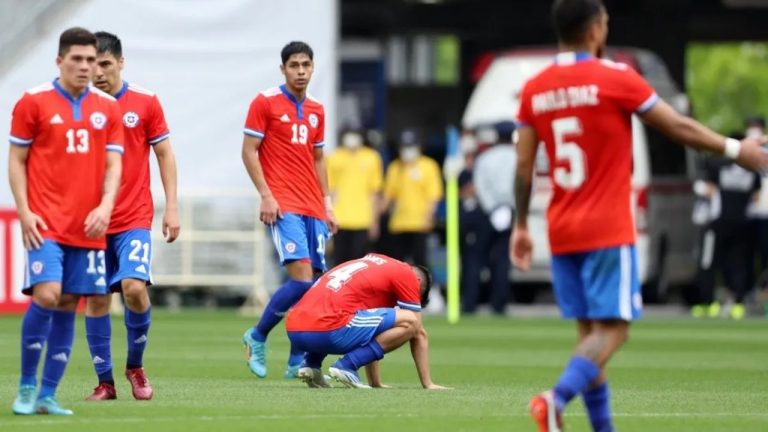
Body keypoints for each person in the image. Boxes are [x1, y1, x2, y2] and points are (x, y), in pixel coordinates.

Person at [510, 1, 768, 431]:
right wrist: (735, 148)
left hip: (562, 226)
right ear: (595, 30)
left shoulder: (536, 87)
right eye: (606, 21)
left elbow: (523, 167)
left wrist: (521, 225)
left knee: (589, 337)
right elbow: (677, 127)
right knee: (614, 332)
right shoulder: (615, 78)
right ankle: (555, 400)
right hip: (607, 227)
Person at [9, 27, 124, 415]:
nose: (85, 66)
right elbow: (17, 161)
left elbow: (113, 165)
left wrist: (106, 206)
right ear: (60, 61)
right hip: (45, 224)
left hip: (88, 227)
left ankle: (47, 395)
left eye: (91, 60)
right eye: (77, 59)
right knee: (46, 294)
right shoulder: (33, 102)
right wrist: (24, 211)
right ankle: (26, 387)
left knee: (71, 301)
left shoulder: (107, 108)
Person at [83, 31, 180, 401]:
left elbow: (165, 153)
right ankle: (105, 383)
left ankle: (135, 366)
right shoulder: (80, 106)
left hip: (134, 217)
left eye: (106, 64)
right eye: (93, 64)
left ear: (120, 63)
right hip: (91, 220)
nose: (99, 72)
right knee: (96, 299)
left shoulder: (145, 102)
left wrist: (171, 205)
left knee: (134, 289)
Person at [241, 41, 337, 379]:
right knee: (300, 280)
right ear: (282, 68)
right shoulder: (265, 102)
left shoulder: (317, 110)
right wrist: (266, 195)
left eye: (306, 65)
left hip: (312, 205)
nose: (300, 71)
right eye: (294, 65)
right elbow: (249, 151)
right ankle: (257, 335)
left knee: (312, 287)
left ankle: (297, 359)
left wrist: (327, 204)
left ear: (313, 68)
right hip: (283, 203)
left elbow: (318, 158)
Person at [285, 253, 448, 390]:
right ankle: (347, 365)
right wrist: (428, 383)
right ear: (418, 282)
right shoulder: (406, 274)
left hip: (295, 330)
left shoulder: (373, 264)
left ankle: (312, 364)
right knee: (411, 321)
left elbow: (374, 328)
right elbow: (417, 330)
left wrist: (375, 383)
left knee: (346, 313)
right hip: (329, 330)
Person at [692, 143, 760, 320]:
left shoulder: (717, 165)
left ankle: (708, 303)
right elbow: (756, 195)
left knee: (709, 262)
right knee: (739, 263)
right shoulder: (751, 170)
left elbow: (707, 189)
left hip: (718, 223)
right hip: (743, 223)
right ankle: (738, 303)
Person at [470, 122, 516, 314]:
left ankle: (470, 303)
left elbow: (479, 185)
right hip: (509, 210)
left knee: (476, 258)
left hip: (486, 212)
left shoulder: (485, 158)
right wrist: (509, 208)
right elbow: (522, 185)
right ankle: (499, 304)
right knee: (502, 260)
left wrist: (491, 208)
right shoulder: (518, 157)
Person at [381, 129, 443, 268]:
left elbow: (433, 197)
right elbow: (388, 196)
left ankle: (423, 289)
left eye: (410, 147)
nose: (407, 151)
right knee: (398, 265)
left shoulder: (429, 166)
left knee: (420, 263)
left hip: (419, 224)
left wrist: (428, 218)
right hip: (398, 225)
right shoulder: (395, 168)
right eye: (404, 147)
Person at [326, 129, 383, 266]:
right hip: (340, 219)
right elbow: (330, 191)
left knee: (360, 263)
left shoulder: (372, 157)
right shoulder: (334, 157)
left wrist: (374, 221)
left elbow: (375, 192)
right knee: (339, 263)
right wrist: (327, 217)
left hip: (363, 219)